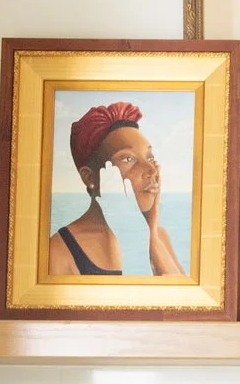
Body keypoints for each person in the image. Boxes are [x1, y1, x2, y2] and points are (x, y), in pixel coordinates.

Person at [48, 101, 183, 277]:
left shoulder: (159, 235)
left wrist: (150, 230)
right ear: (89, 177)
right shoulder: (60, 250)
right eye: (128, 159)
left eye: (149, 157)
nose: (151, 170)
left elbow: (183, 302)